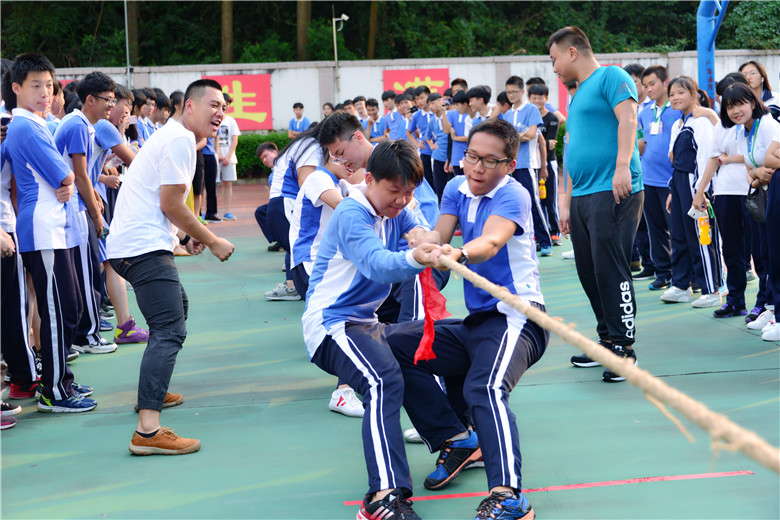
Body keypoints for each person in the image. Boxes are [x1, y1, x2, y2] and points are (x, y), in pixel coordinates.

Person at [387, 118, 548, 520]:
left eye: (489, 161)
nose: (476, 167)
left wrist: (457, 253)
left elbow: (491, 242)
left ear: (509, 165)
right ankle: (457, 438)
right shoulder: (456, 188)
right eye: (471, 156)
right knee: (394, 345)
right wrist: (422, 243)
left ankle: (509, 496)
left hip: (517, 318)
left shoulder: (514, 195)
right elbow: (439, 236)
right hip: (477, 323)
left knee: (485, 388)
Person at [301, 139, 437, 520]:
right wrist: (417, 254)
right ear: (371, 179)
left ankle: (455, 439)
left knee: (442, 345)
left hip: (365, 323)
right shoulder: (351, 213)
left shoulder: (399, 208)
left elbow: (421, 230)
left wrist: (430, 243)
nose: (402, 200)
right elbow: (379, 265)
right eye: (395, 191)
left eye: (409, 192)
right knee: (382, 383)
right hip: (332, 323)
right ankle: (383, 498)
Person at [107, 78, 235, 455]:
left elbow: (160, 202)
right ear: (189, 106)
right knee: (169, 329)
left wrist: (183, 236)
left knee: (176, 309)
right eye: (213, 105)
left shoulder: (173, 136)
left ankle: (153, 391)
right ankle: (147, 431)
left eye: (224, 108)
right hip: (141, 248)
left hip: (135, 244)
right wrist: (211, 239)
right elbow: (171, 203)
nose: (220, 113)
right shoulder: (179, 139)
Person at [548, 26, 644, 382]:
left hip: (614, 189)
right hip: (585, 195)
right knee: (589, 273)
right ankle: (606, 341)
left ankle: (624, 350)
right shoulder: (577, 96)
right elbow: (574, 150)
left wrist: (622, 167)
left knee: (610, 269)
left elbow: (629, 119)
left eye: (555, 59)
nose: (554, 68)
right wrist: (567, 201)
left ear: (572, 52)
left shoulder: (611, 76)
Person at [3, 53, 96, 412]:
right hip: (40, 227)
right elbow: (65, 175)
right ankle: (54, 392)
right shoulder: (24, 126)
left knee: (67, 306)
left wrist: (68, 183)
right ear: (16, 89)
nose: (45, 92)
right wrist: (68, 182)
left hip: (53, 227)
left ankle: (61, 380)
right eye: (35, 85)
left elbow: (65, 177)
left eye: (48, 84)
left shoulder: (37, 123)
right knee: (57, 310)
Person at [53, 71, 118, 355]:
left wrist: (94, 199)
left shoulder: (83, 124)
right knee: (87, 270)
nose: (111, 106)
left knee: (90, 269)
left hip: (78, 206)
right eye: (107, 100)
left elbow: (86, 175)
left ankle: (85, 330)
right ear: (89, 100)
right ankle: (87, 335)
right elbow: (79, 175)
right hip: (73, 210)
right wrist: (95, 214)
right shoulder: (78, 124)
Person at [661, 76, 723, 309]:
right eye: (672, 94)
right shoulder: (679, 124)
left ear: (694, 94)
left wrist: (701, 192)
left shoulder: (702, 121)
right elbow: (674, 160)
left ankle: (711, 289)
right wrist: (672, 190)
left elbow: (709, 157)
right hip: (678, 184)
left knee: (702, 236)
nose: (675, 98)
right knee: (678, 235)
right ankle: (681, 285)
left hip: (696, 185)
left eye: (680, 92)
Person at [264, 124, 322, 301]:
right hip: (286, 203)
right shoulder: (313, 146)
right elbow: (307, 182)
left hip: (277, 205)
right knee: (302, 249)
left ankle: (291, 285)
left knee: (295, 246)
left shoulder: (298, 144)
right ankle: (297, 287)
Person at [637, 65, 681, 291]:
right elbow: (644, 141)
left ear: (666, 82)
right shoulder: (644, 112)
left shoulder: (678, 109)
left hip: (671, 180)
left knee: (677, 229)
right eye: (645, 86)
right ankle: (663, 272)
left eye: (652, 84)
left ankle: (684, 276)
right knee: (655, 230)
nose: (648, 89)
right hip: (649, 179)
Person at [501, 76, 552, 256]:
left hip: (527, 164)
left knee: (533, 203)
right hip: (510, 166)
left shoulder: (530, 108)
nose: (511, 95)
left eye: (514, 92)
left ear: (522, 92)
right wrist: (518, 136)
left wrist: (515, 136)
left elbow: (531, 134)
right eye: (508, 92)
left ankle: (546, 241)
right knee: (515, 203)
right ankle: (527, 239)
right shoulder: (507, 114)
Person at [528, 82, 562, 245]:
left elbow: (549, 144)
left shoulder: (552, 118)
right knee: (537, 199)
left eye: (540, 98)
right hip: (532, 164)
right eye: (534, 98)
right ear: (529, 98)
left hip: (548, 162)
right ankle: (541, 232)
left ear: (546, 98)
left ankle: (554, 231)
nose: (537, 101)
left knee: (550, 198)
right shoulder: (528, 116)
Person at [216, 92, 240, 221]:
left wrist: (228, 156)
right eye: (225, 102)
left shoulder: (231, 121)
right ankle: (211, 211)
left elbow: (234, 140)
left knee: (227, 184)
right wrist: (218, 154)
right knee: (211, 185)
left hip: (229, 159)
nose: (226, 105)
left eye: (228, 103)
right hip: (215, 157)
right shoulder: (213, 119)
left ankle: (226, 211)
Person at [253, 141, 281, 250]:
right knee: (261, 212)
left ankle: (284, 241)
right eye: (262, 159)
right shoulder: (272, 174)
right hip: (277, 202)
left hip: (289, 202)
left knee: (272, 211)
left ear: (274, 152)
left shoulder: (284, 167)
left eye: (266, 156)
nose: (264, 160)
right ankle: (280, 240)